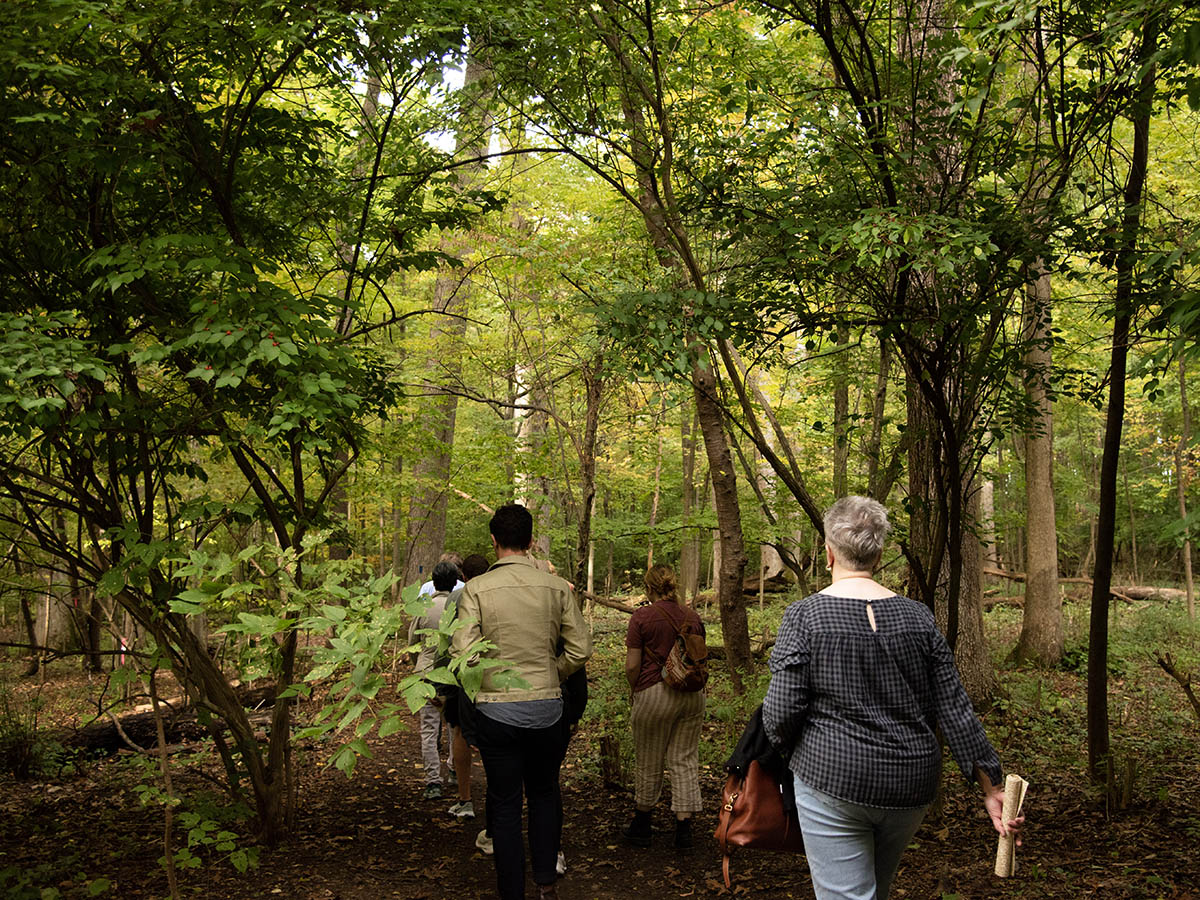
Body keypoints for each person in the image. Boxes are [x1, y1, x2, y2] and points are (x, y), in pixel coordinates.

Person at [762, 496, 1022, 900]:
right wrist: (991, 788)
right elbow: (954, 707)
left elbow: (780, 712)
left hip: (833, 778)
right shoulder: (918, 616)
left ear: (828, 552)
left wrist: (791, 756)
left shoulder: (805, 615)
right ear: (879, 553)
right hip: (910, 786)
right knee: (873, 892)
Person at [452, 503, 593, 900]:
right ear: (531, 542)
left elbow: (463, 656)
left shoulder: (475, 590)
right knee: (545, 792)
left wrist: (487, 686)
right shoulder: (555, 588)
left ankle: (511, 892)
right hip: (548, 708)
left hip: (496, 711)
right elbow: (580, 649)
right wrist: (554, 671)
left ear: (494, 541)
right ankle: (546, 883)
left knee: (505, 802)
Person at [622, 564, 706, 851]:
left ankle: (642, 824)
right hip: (692, 695)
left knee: (649, 757)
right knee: (683, 759)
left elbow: (633, 665)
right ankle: (683, 829)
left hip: (654, 693)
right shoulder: (692, 616)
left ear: (649, 587)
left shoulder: (642, 617)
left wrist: (634, 689)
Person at [442, 552, 491, 819]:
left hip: (462, 673)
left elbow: (446, 639)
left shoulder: (456, 597)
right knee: (495, 732)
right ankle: (501, 796)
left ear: (464, 576)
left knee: (460, 732)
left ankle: (465, 798)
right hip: (492, 672)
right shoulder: (496, 593)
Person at [408, 559, 461, 800]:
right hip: (451, 674)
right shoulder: (459, 608)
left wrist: (419, 666)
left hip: (425, 674)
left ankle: (432, 782)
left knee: (428, 730)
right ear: (454, 582)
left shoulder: (423, 607)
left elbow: (411, 642)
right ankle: (454, 769)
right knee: (454, 727)